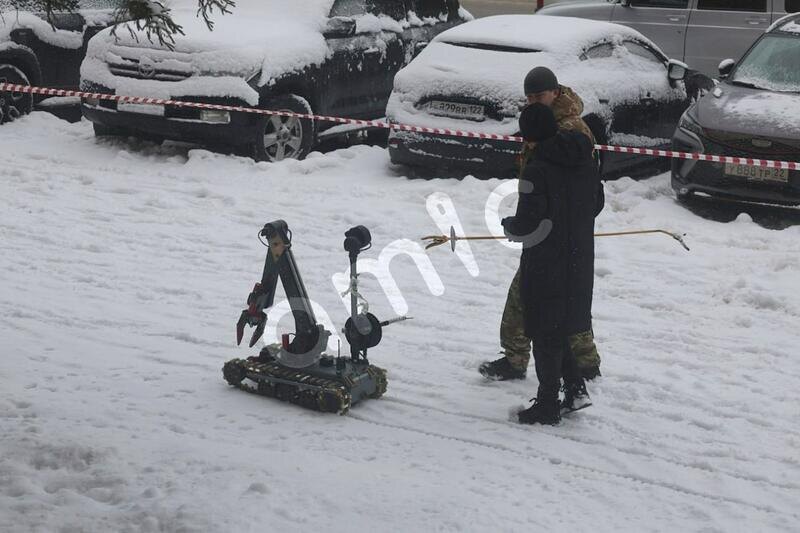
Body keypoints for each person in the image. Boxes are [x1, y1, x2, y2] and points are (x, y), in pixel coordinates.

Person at [480, 66, 603, 382]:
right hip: (547, 231)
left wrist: (532, 222)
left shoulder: (570, 131)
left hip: (553, 235)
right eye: (529, 97)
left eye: (539, 95)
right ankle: (576, 362)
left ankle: (535, 363)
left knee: (541, 300)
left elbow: (582, 188)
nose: (534, 101)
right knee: (560, 300)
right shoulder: (543, 124)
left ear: (555, 92)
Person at [501, 103, 602, 424]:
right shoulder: (584, 159)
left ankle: (547, 404)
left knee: (545, 332)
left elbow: (528, 222)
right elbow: (596, 203)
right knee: (561, 327)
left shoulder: (537, 169)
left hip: (546, 262)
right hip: (580, 259)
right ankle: (574, 389)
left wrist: (509, 226)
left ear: (530, 136)